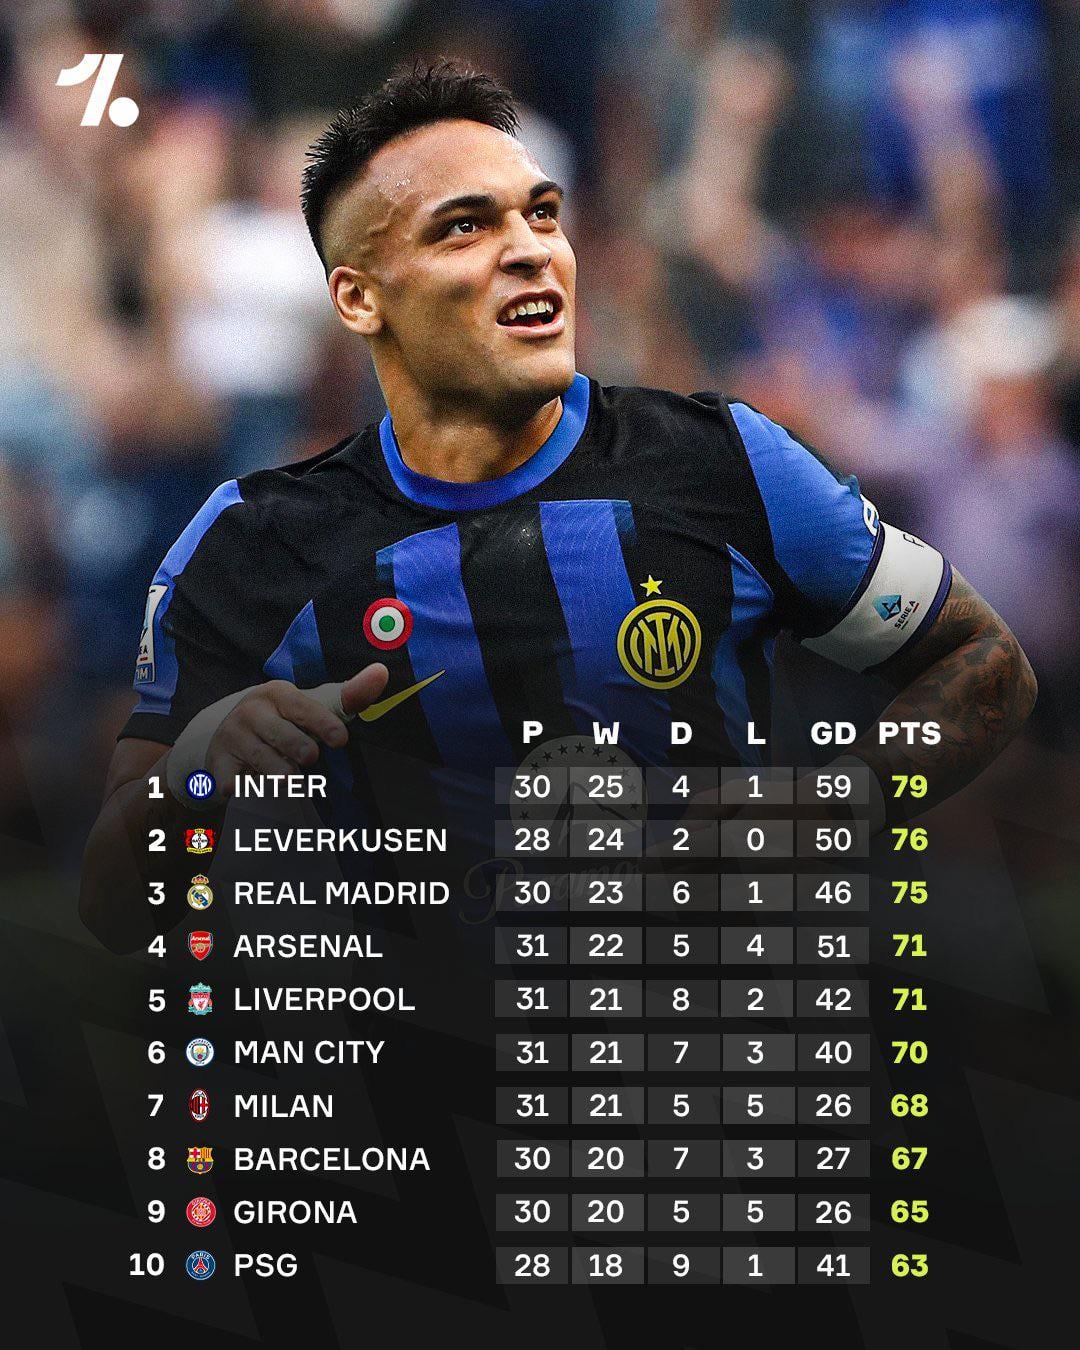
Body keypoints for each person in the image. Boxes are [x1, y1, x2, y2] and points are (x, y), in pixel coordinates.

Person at [80, 61, 1036, 949]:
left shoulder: (724, 463)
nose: (531, 251)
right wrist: (194, 773)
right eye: (464, 228)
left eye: (541, 214)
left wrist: (828, 806)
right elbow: (114, 911)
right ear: (360, 298)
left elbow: (984, 663)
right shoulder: (251, 544)